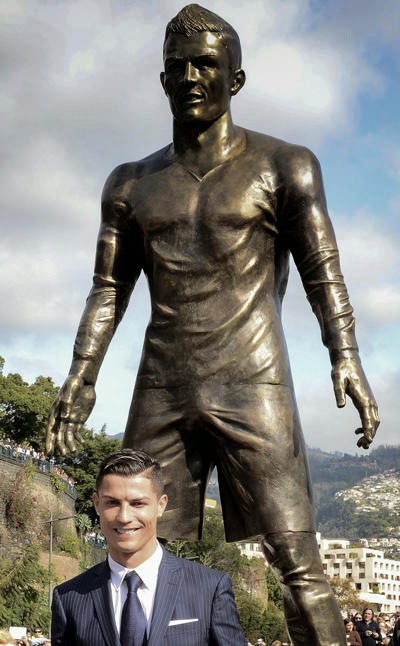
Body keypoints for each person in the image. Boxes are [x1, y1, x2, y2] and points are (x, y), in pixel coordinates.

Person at [46, 4, 379, 645]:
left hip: (255, 381)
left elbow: (324, 273)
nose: (191, 78)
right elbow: (108, 289)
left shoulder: (285, 165)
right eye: (178, 67)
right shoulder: (130, 184)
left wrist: (346, 355)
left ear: (236, 78)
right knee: (130, 554)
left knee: (297, 563)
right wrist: (80, 379)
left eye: (205, 65)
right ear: (162, 79)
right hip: (163, 384)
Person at [51, 449, 247, 645]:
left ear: (161, 505)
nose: (124, 517)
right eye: (112, 503)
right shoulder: (69, 598)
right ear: (97, 504)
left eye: (137, 504)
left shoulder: (209, 589)